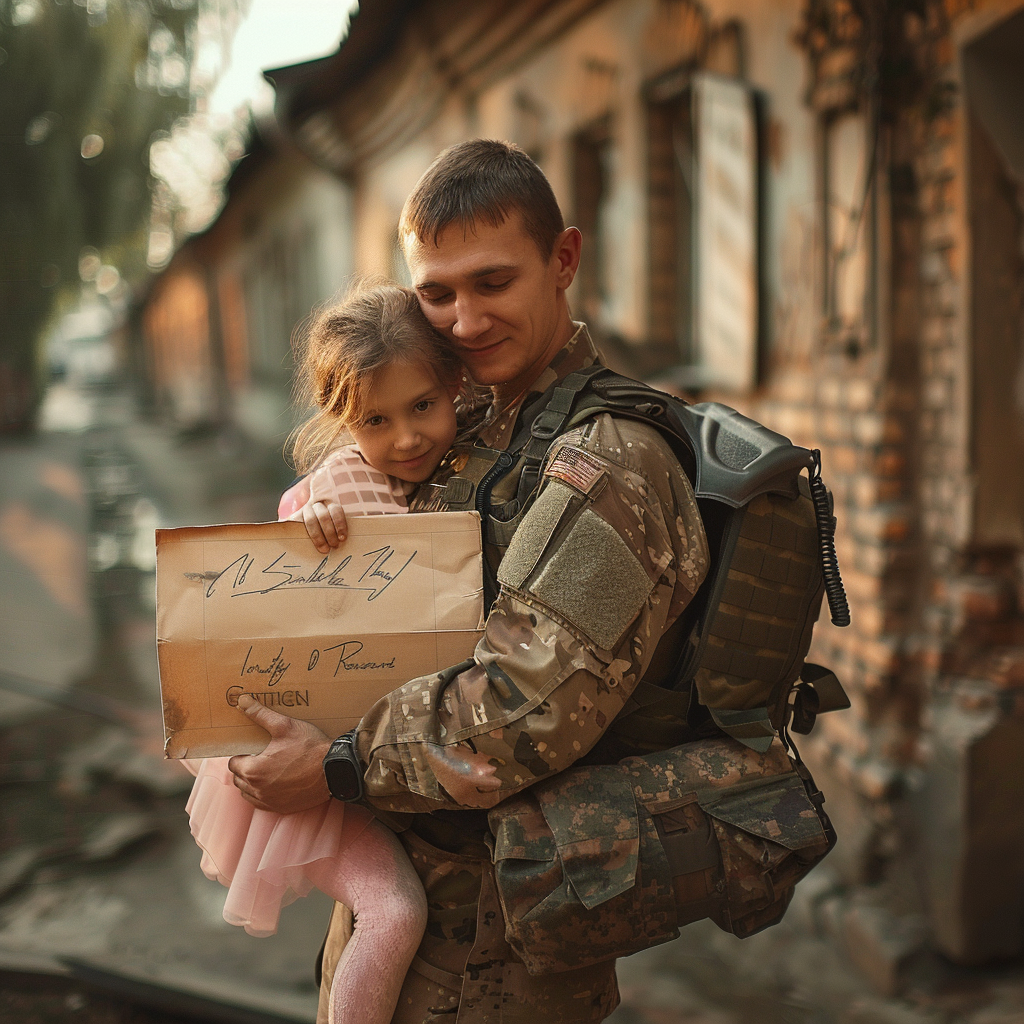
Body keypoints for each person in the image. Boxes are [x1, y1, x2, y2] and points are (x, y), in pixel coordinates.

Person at [227, 140, 711, 1024]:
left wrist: (336, 762)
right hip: (413, 909)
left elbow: (523, 711)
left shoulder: (609, 461)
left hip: (499, 955)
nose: (461, 319)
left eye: (492, 282)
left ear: (562, 260)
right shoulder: (476, 423)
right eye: (436, 293)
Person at [185, 283, 478, 1024]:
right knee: (393, 912)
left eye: (422, 406)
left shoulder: (466, 470)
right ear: (342, 421)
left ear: (456, 387)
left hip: (373, 758)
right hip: (305, 766)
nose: (407, 437)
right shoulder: (337, 488)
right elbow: (284, 569)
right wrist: (307, 518)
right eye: (376, 420)